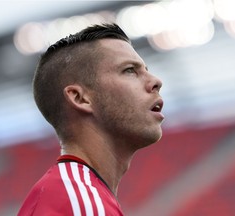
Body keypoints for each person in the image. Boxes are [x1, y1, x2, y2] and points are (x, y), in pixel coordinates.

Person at [18, 23, 164, 215]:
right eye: (129, 70)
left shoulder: (76, 196)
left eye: (146, 69)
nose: (156, 81)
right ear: (80, 98)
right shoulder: (79, 203)